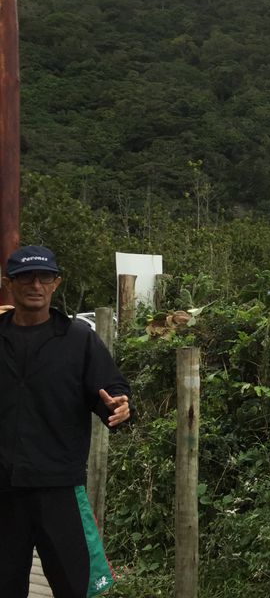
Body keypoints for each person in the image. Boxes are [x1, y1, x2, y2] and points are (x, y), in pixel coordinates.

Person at [0, 245, 131, 598]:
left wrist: (118, 406)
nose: (35, 285)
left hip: (58, 485)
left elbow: (111, 389)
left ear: (56, 284)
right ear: (9, 283)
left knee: (72, 586)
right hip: (3, 489)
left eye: (44, 277)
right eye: (25, 277)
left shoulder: (78, 340)